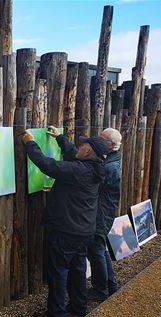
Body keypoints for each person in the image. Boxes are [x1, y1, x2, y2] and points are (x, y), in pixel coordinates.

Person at [23, 128, 107, 317]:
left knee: (58, 271)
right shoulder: (93, 167)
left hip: (67, 230)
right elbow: (72, 154)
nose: (78, 147)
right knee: (77, 269)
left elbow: (47, 165)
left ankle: (56, 313)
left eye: (82, 145)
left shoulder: (79, 171)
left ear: (87, 151)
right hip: (83, 230)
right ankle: (78, 306)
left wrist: (30, 143)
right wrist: (60, 138)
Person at [47, 127, 122, 302]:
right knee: (97, 250)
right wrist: (61, 138)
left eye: (101, 138)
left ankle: (101, 290)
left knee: (96, 250)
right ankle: (109, 286)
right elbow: (78, 156)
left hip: (100, 214)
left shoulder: (109, 166)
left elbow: (85, 182)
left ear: (110, 145)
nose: (96, 139)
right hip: (96, 213)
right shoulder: (106, 157)